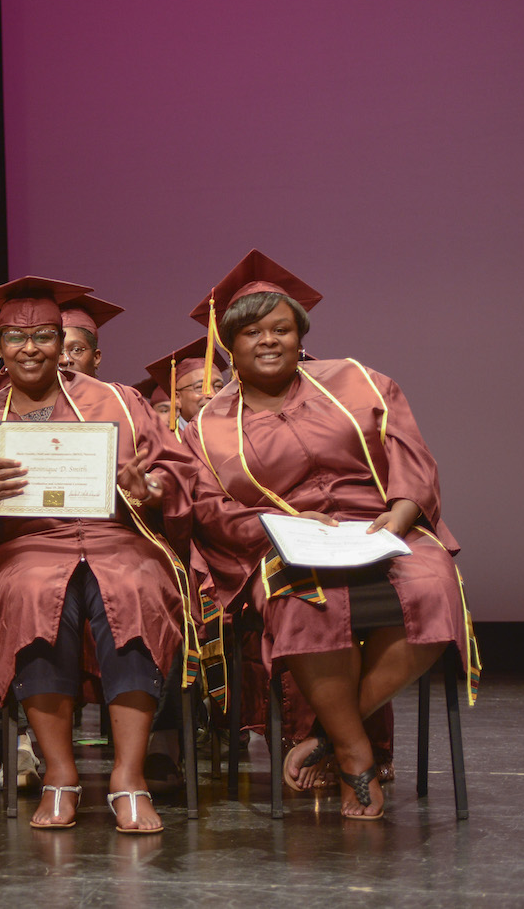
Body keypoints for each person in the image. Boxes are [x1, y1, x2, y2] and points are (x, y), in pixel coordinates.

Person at [182, 250, 478, 819]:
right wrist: (278, 527)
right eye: (250, 332)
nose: (267, 341)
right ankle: (357, 757)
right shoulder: (208, 426)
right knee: (304, 606)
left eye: (280, 329)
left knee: (435, 594)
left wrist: (398, 515)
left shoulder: (360, 381)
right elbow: (210, 510)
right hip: (287, 544)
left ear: (300, 336)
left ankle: (325, 734)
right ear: (229, 347)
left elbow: (411, 455)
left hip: (386, 529)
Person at [0, 276, 194, 834]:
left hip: (117, 538)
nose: (29, 348)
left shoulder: (120, 403)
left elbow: (177, 472)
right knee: (30, 592)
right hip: (27, 545)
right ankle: (60, 775)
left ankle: (130, 777)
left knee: (136, 589)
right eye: (15, 337)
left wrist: (150, 488)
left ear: (63, 341)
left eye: (43, 336)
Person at [143, 335, 228, 437]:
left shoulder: (237, 435)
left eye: (218, 386)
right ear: (177, 398)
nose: (213, 394)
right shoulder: (166, 445)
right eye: (200, 387)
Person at [57, 294, 124, 378]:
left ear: (96, 358)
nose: (65, 360)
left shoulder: (116, 391)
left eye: (76, 350)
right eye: (57, 352)